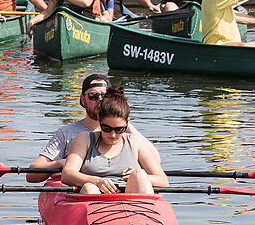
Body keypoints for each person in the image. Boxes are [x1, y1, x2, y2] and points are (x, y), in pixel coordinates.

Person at [27, 74, 156, 183]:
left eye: (104, 96)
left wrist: (125, 123)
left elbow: (156, 162)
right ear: (83, 100)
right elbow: (31, 174)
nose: (99, 100)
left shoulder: (124, 130)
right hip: (84, 193)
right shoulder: (66, 133)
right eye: (93, 96)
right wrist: (59, 163)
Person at [61, 87, 168, 195]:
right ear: (99, 119)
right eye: (106, 128)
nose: (113, 135)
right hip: (94, 198)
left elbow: (163, 181)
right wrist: (97, 181)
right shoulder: (84, 139)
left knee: (140, 175)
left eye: (119, 129)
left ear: (127, 123)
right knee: (90, 188)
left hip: (131, 199)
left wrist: (137, 176)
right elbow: (67, 174)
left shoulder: (136, 142)